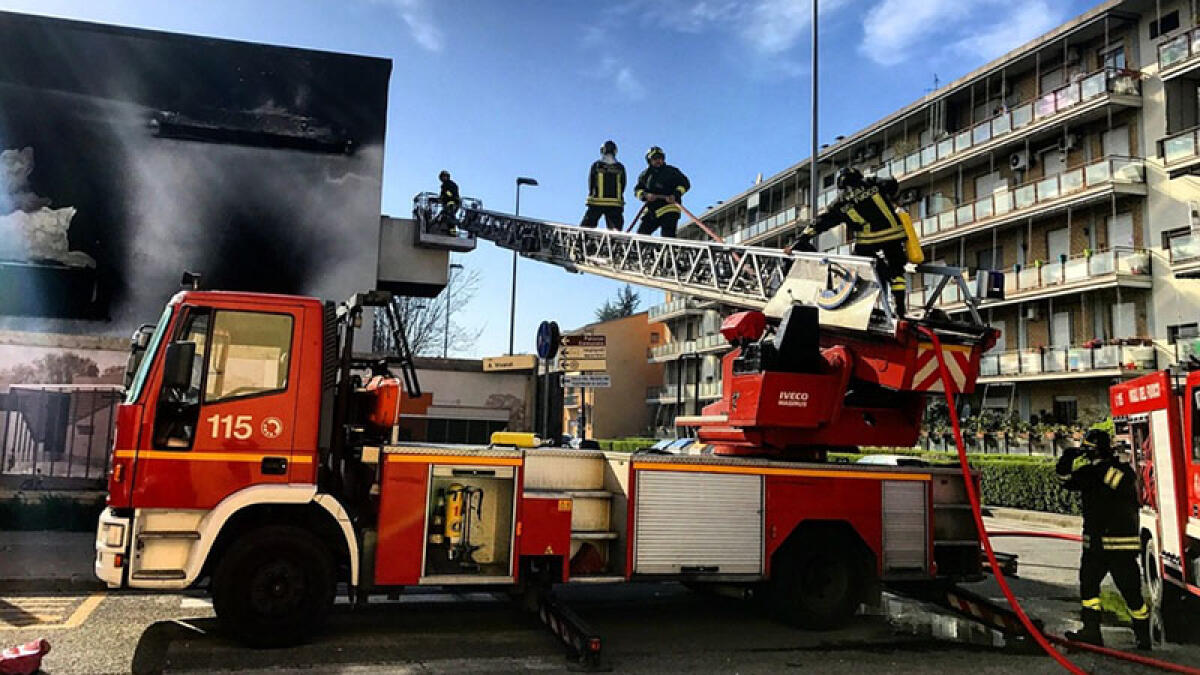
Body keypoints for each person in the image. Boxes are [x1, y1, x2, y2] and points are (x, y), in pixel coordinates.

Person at [1056, 428, 1151, 650]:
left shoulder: (1119, 472)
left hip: (1120, 549)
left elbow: (1117, 483)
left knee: (1132, 594)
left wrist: (1097, 464)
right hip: (1095, 548)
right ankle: (1091, 632)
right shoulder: (1089, 473)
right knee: (1089, 590)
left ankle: (1143, 636)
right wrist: (1066, 460)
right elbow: (1064, 480)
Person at [786, 167, 919, 313]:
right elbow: (892, 184)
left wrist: (800, 240)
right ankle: (899, 307)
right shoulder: (873, 183)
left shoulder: (839, 204)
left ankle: (880, 273)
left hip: (868, 240)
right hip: (894, 234)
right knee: (897, 271)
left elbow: (821, 222)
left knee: (861, 264)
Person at [634, 146, 690, 238]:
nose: (658, 160)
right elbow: (637, 190)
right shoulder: (645, 175)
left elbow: (685, 184)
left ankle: (668, 251)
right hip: (652, 210)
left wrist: (675, 195)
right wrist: (645, 195)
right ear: (649, 161)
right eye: (654, 158)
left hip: (669, 207)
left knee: (667, 237)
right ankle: (649, 252)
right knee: (641, 235)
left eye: (660, 158)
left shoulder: (671, 171)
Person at [581, 140, 626, 231]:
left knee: (586, 228)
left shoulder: (596, 165)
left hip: (597, 202)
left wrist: (591, 193)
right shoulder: (620, 167)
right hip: (615, 203)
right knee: (616, 231)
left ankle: (581, 243)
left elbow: (591, 182)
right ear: (615, 151)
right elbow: (623, 183)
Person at [437, 170, 460, 234]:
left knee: (450, 217)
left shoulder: (448, 185)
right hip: (452, 202)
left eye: (443, 177)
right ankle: (449, 230)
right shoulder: (446, 185)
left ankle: (452, 232)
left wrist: (444, 197)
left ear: (447, 177)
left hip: (451, 203)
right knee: (447, 217)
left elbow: (449, 194)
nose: (442, 178)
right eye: (442, 177)